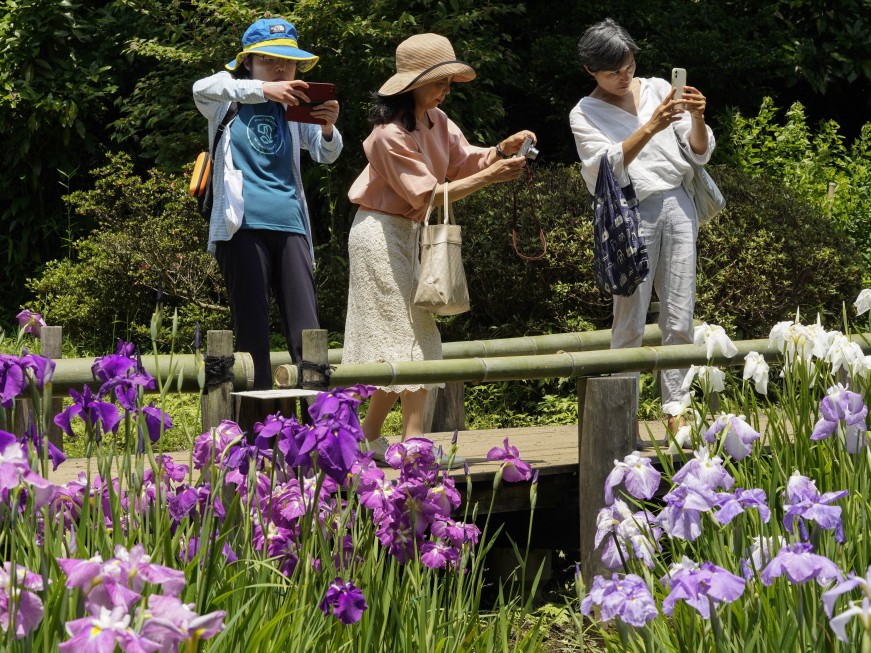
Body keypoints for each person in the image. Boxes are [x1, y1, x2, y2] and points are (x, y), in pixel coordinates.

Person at [344, 33, 535, 453]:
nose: (446, 90)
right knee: (410, 336)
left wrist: (502, 149)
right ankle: (412, 442)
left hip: (412, 234)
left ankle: (370, 438)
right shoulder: (386, 135)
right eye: (439, 82)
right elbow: (428, 195)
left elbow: (466, 160)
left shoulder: (439, 120)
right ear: (412, 84)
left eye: (448, 82)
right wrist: (490, 176)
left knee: (409, 336)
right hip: (379, 234)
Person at [569, 19, 714, 443]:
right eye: (613, 71)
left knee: (680, 313)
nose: (624, 76)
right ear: (590, 71)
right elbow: (601, 171)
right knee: (628, 317)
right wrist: (650, 126)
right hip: (630, 213)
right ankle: (623, 412)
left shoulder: (655, 88)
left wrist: (698, 118)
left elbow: (699, 152)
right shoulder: (584, 113)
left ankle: (677, 412)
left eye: (629, 64)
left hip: (679, 203)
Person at [193, 17, 342, 390]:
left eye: (288, 62)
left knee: (307, 332)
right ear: (248, 62)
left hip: (291, 222)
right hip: (241, 225)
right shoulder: (226, 99)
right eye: (270, 60)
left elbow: (327, 154)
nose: (281, 69)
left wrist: (327, 127)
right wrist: (265, 89)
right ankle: (255, 433)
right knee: (253, 334)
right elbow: (201, 88)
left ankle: (320, 430)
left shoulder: (295, 106)